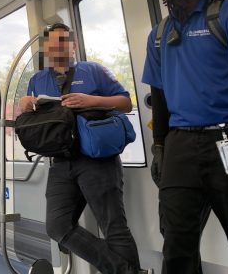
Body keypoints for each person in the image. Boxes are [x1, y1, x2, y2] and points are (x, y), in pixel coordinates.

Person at [17, 23, 142, 274]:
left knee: (113, 226)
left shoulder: (94, 70)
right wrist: (24, 103)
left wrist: (92, 100)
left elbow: (125, 102)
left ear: (73, 45)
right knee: (57, 225)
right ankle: (127, 272)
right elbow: (34, 117)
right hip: (60, 163)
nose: (57, 46)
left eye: (63, 40)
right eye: (52, 43)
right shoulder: (38, 80)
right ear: (46, 49)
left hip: (97, 160)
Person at [143, 0, 228, 273]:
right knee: (176, 242)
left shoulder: (225, 13)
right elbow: (160, 98)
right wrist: (159, 147)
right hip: (179, 144)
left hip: (227, 136)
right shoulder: (158, 35)